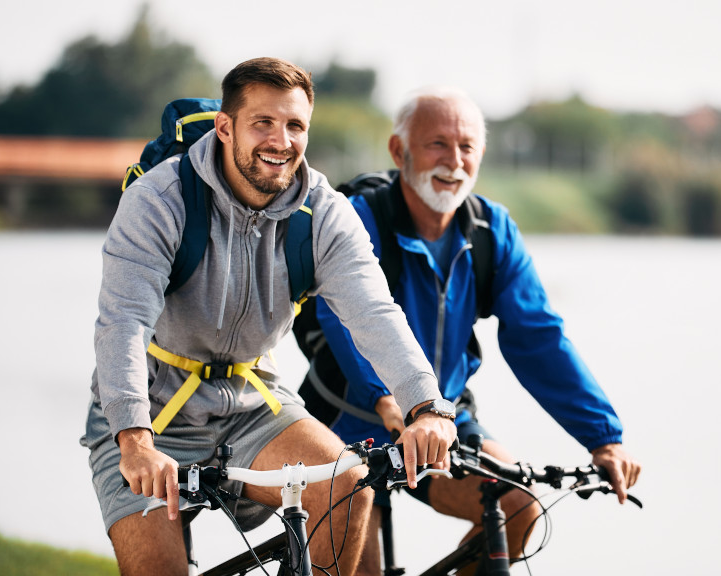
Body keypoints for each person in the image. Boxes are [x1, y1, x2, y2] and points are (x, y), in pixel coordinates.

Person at [82, 57, 456, 576]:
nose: (281, 141)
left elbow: (374, 312)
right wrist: (134, 440)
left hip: (252, 398)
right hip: (149, 408)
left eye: (295, 125)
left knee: (345, 481)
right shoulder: (159, 200)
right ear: (225, 127)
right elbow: (123, 323)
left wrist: (427, 405)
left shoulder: (323, 212)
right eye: (263, 122)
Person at [296, 87, 641, 574]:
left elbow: (539, 338)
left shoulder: (491, 231)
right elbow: (342, 318)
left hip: (442, 422)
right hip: (349, 419)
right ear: (400, 151)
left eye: (467, 147)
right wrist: (388, 400)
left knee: (520, 505)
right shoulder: (359, 217)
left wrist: (603, 438)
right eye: (437, 144)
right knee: (355, 564)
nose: (454, 161)